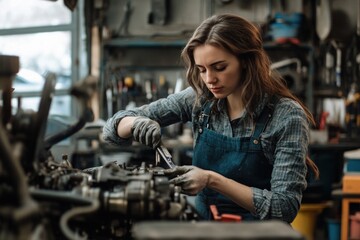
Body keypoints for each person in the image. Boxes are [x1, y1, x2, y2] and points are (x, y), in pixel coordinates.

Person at [102, 13, 319, 223]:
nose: (209, 79)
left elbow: (284, 208)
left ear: (246, 61)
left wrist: (211, 180)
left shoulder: (286, 116)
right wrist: (135, 123)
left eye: (219, 68)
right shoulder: (199, 99)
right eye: (201, 69)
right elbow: (111, 130)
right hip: (206, 229)